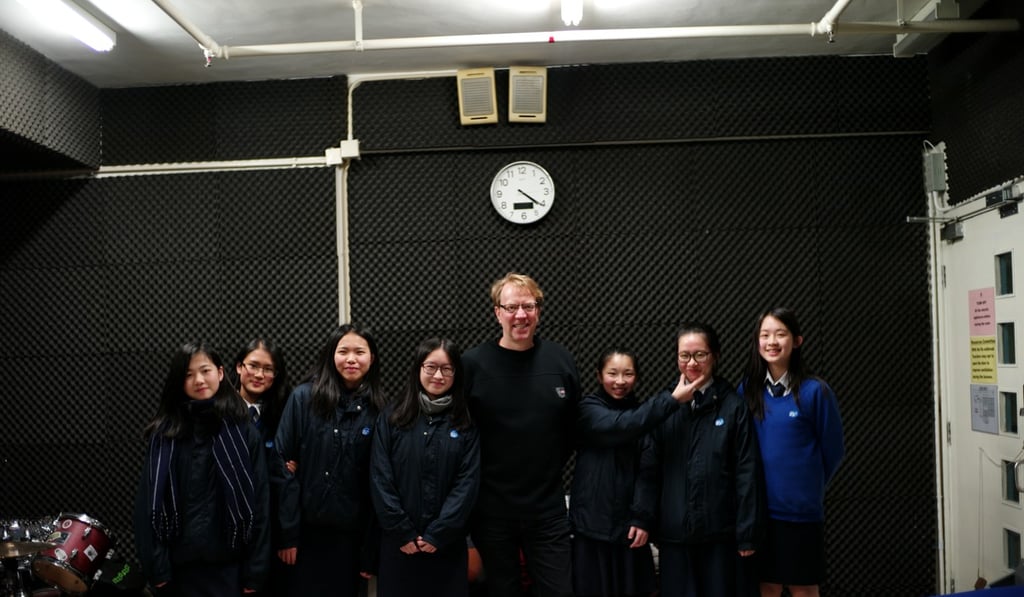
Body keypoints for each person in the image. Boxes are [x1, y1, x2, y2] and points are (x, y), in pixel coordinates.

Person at [462, 272, 581, 597]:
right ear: (497, 311)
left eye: (528, 306)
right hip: (492, 511)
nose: (520, 315)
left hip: (547, 509)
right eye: (512, 306)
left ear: (538, 310)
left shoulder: (560, 360)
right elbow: (461, 435)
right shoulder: (472, 365)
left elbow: (573, 431)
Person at [133, 341, 271, 596]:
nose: (199, 379)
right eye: (188, 374)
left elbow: (260, 503)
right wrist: (158, 569)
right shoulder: (164, 435)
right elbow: (146, 507)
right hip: (178, 571)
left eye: (205, 370)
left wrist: (255, 572)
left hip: (229, 569)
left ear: (220, 373)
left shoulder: (243, 432)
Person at [569, 347, 705, 597]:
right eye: (612, 373)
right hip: (591, 526)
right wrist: (672, 400)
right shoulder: (588, 409)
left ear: (637, 377)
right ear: (599, 376)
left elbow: (648, 472)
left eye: (628, 374)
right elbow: (620, 426)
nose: (620, 381)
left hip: (629, 530)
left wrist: (642, 519)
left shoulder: (648, 415)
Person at [649, 322, 762, 597]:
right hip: (675, 536)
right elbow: (649, 470)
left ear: (715, 356)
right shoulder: (664, 407)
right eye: (684, 355)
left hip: (720, 537)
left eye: (700, 354)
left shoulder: (734, 407)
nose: (692, 363)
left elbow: (747, 473)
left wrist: (747, 532)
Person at [274, 324, 386, 597]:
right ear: (330, 356)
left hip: (351, 540)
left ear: (371, 358)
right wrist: (287, 535)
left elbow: (380, 482)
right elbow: (280, 463)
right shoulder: (303, 398)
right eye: (343, 351)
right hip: (303, 535)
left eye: (359, 352)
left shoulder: (380, 410)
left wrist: (370, 550)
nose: (351, 359)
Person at [739, 308, 844, 597]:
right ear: (757, 342)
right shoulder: (747, 391)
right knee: (767, 587)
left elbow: (833, 451)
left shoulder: (815, 392)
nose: (772, 341)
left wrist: (806, 488)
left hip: (801, 514)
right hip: (760, 515)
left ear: (797, 341)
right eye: (765, 335)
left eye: (780, 334)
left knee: (803, 588)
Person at [370, 337, 481, 597]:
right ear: (418, 369)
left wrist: (438, 534)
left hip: (447, 546)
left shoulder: (465, 422)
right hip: (399, 546)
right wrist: (402, 532)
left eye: (447, 368)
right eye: (430, 367)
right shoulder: (392, 417)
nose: (438, 375)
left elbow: (467, 483)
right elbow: (379, 478)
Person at [233, 338, 290, 597]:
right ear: (238, 367)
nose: (259, 374)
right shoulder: (220, 413)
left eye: (268, 369)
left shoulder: (284, 415)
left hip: (271, 528)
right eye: (253, 366)